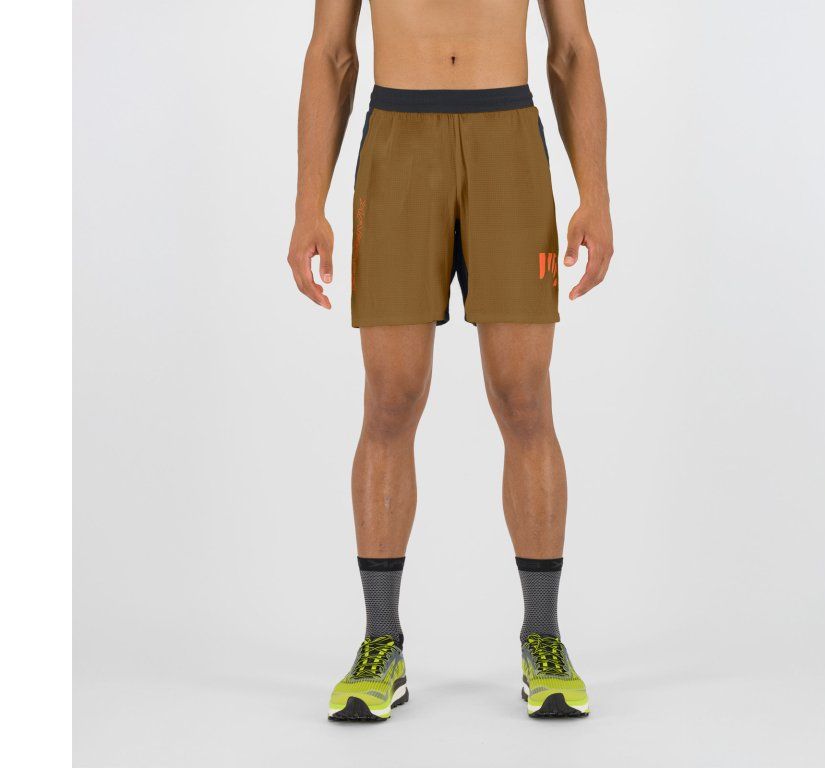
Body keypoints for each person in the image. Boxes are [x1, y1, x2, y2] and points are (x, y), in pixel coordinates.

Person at [287, 0, 612, 720]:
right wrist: (310, 204)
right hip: (398, 139)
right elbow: (332, 53)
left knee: (524, 397)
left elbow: (571, 48)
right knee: (391, 398)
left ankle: (543, 638)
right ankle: (381, 642)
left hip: (508, 139)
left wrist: (596, 195)